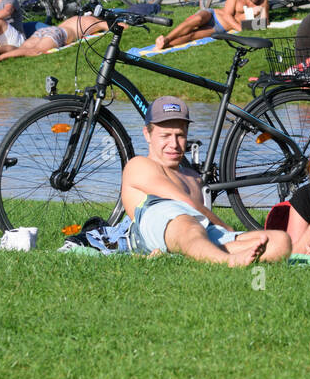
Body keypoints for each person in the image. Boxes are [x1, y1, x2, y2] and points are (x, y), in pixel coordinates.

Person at [121, 97, 291, 265]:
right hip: (163, 228)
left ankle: (204, 254)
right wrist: (226, 228)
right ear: (147, 134)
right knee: (187, 222)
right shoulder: (140, 165)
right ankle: (228, 260)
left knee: (280, 240)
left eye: (180, 135)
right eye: (165, 135)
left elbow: (201, 221)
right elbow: (184, 202)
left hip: (200, 232)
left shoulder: (192, 177)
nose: (173, 144)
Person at [154, 0, 269, 51]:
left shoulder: (263, 2)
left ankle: (165, 45)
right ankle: (167, 39)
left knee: (192, 36)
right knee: (197, 20)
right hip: (213, 15)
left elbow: (265, 23)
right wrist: (239, 27)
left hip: (220, 28)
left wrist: (254, 18)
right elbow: (227, 15)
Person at [0, 12, 110, 66]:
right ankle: (0, 58)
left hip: (45, 30)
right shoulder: (95, 22)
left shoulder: (76, 17)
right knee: (36, 50)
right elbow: (114, 26)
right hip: (59, 33)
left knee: (22, 48)